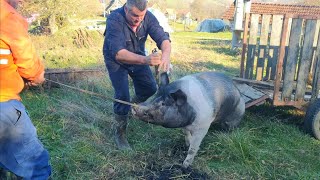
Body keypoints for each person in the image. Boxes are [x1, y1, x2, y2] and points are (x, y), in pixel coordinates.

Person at [103, 0, 171, 150]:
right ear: (126, 9)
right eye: (134, 15)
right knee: (122, 95)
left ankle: (130, 108)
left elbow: (163, 39)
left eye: (142, 15)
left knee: (150, 88)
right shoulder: (114, 19)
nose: (138, 19)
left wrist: (165, 56)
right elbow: (119, 54)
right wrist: (146, 60)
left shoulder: (148, 17)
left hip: (137, 55)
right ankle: (120, 134)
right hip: (116, 59)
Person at [0, 0, 52, 179]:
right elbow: (31, 69)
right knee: (36, 167)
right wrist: (37, 76)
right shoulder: (6, 16)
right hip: (3, 104)